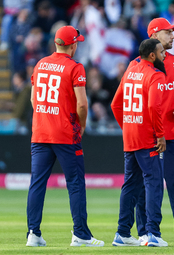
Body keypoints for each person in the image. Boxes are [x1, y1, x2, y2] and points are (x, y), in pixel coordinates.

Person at [26, 25, 104, 247]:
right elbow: (82, 103)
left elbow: (34, 100)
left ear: (56, 43)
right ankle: (80, 234)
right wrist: (82, 126)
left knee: (37, 184)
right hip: (65, 134)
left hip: (40, 132)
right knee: (75, 183)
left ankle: (33, 233)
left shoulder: (40, 64)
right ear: (73, 45)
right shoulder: (75, 67)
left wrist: (44, 118)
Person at [128, 17, 174, 247]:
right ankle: (145, 232)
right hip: (148, 136)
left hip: (173, 133)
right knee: (146, 186)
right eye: (168, 32)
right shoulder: (136, 65)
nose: (173, 36)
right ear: (155, 35)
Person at [111, 38, 168, 247]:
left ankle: (122, 233)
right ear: (152, 55)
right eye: (161, 52)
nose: (163, 55)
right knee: (153, 183)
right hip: (147, 139)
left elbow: (115, 104)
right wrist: (160, 134)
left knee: (130, 185)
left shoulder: (130, 71)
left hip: (131, 137)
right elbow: (154, 107)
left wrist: (127, 127)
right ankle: (153, 233)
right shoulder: (155, 75)